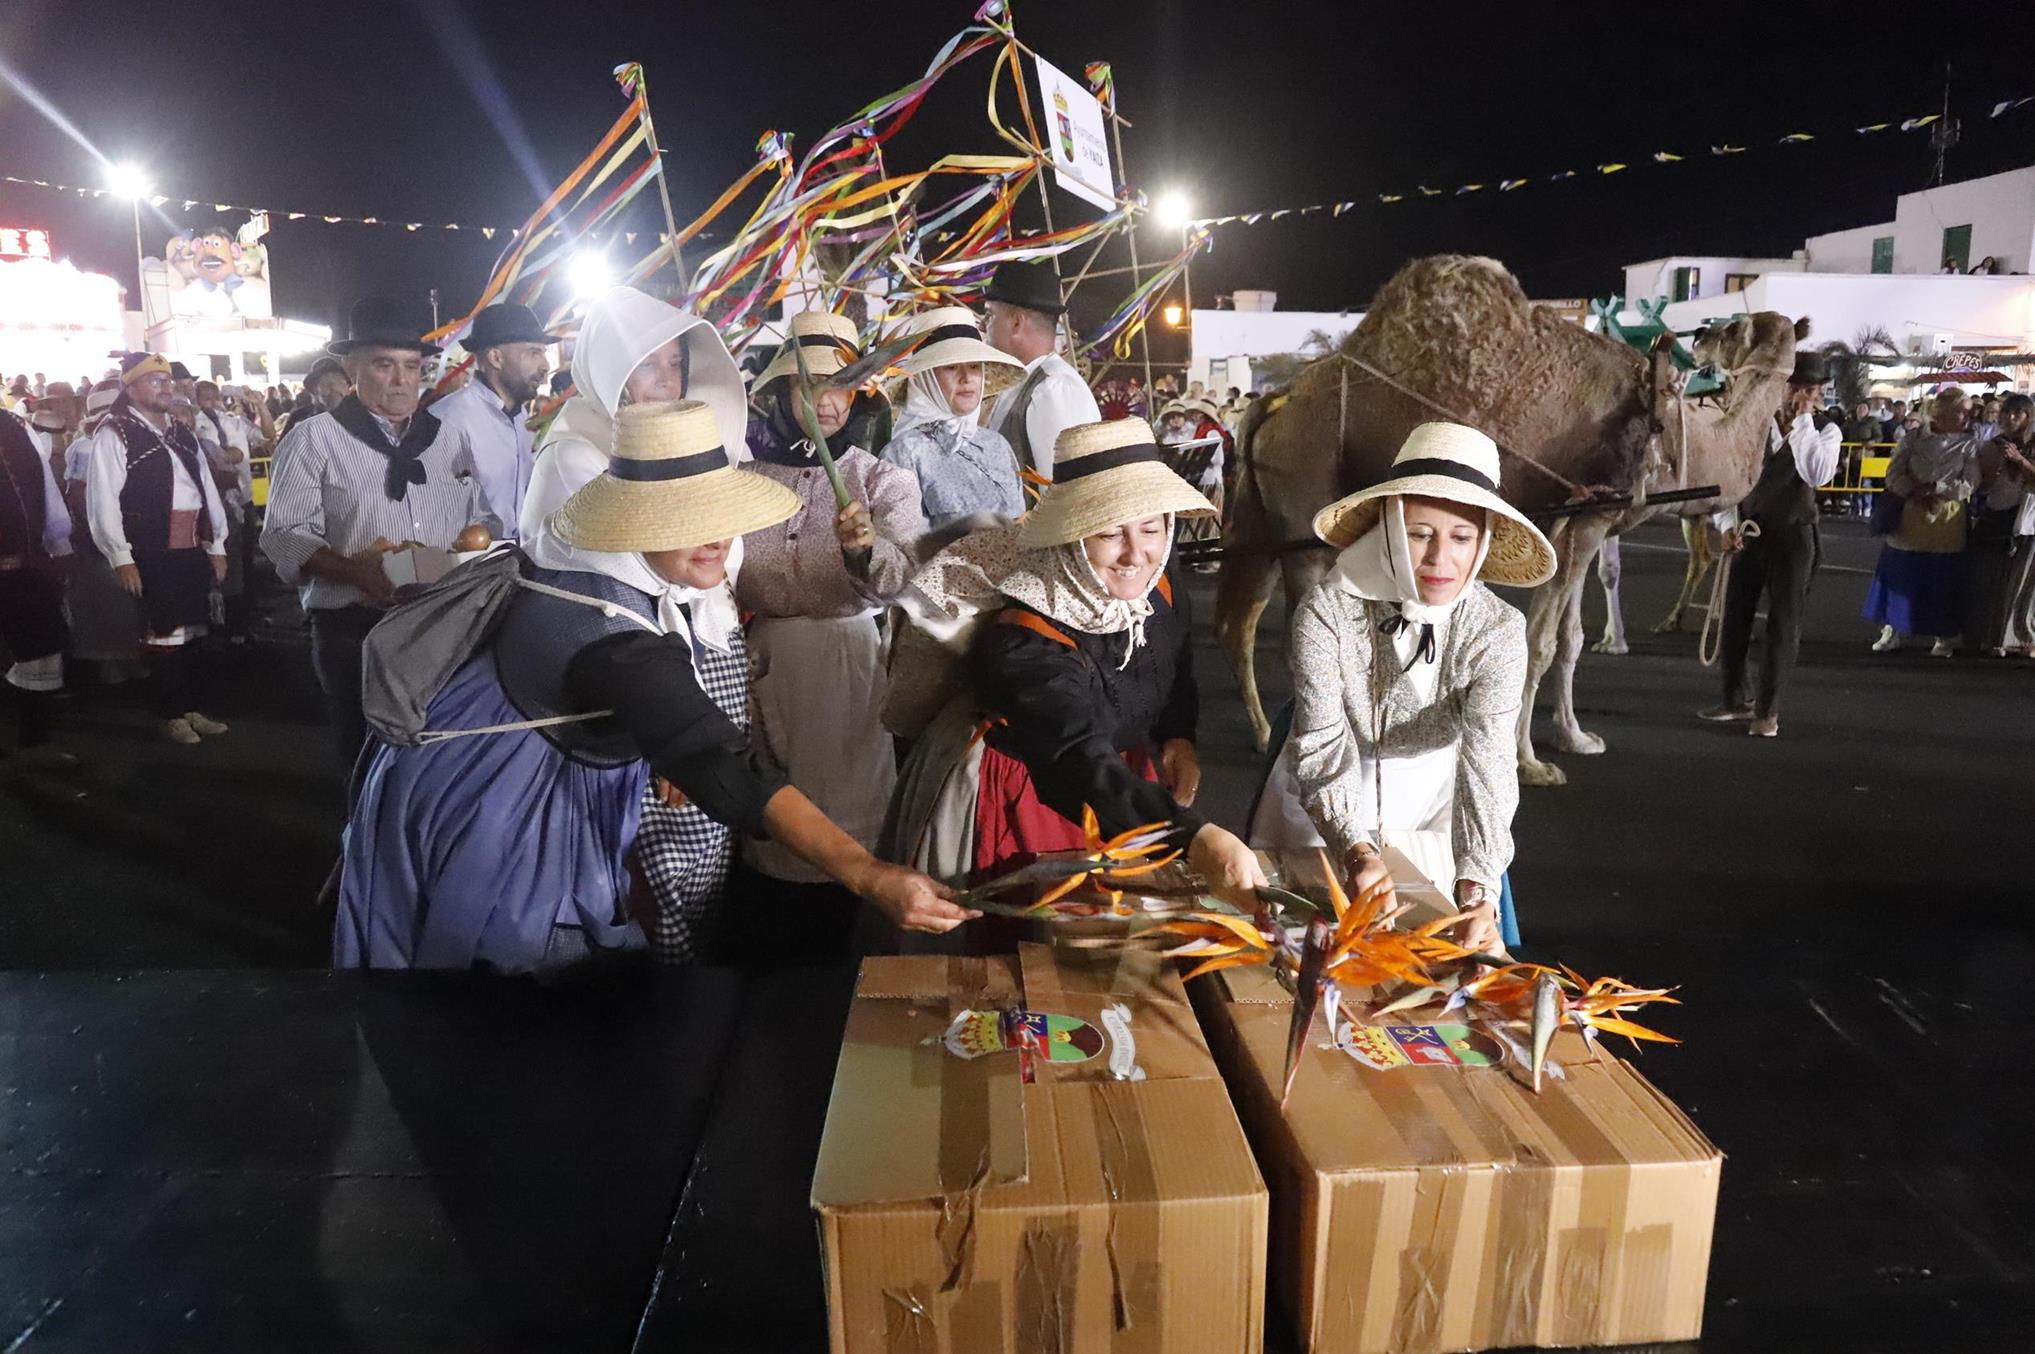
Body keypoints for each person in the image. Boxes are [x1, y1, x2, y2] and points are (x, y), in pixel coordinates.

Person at [334, 399, 972, 971]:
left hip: (522, 769)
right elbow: (718, 758)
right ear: (636, 520)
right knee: (514, 976)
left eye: (723, 514)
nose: (716, 537)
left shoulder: (601, 566)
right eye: (685, 518)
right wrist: (868, 875)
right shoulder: (607, 627)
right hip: (496, 799)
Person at [883, 417, 1265, 920]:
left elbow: (1173, 655)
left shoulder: (1157, 576)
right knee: (1036, 935)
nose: (1136, 554)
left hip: (1122, 781)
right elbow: (1072, 754)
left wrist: (1177, 735)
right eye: (1109, 532)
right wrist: (1190, 837)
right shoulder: (1024, 637)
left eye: (1151, 528)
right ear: (1072, 535)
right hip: (1032, 790)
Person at [1245, 422, 1555, 953]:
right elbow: (1323, 743)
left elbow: (1488, 765)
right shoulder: (1328, 611)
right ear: (1388, 527)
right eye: (1419, 533)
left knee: (1434, 950)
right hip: (1323, 790)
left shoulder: (1497, 631)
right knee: (1302, 947)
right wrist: (1357, 851)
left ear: (1482, 542)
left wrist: (1478, 887)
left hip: (1434, 795)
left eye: (1461, 537)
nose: (1440, 559)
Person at [739, 312, 927, 924]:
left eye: (841, 385)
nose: (827, 400)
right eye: (810, 384)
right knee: (772, 834)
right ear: (781, 391)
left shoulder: (882, 481)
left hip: (849, 675)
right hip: (761, 670)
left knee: (848, 841)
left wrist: (864, 551)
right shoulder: (742, 482)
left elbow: (907, 578)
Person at [261, 296, 497, 773]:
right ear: (352, 368)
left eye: (412, 366)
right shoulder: (314, 439)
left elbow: (482, 517)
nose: (401, 379)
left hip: (441, 623)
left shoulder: (447, 438)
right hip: (355, 629)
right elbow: (284, 535)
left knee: (438, 753)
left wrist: (475, 542)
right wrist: (359, 573)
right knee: (367, 756)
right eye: (384, 365)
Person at [81, 353, 231, 744]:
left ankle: (190, 707)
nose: (166, 387)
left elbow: (206, 488)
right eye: (154, 380)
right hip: (151, 546)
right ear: (130, 387)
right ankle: (171, 714)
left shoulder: (181, 432)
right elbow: (102, 500)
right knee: (165, 631)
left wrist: (216, 543)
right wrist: (121, 556)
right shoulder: (115, 432)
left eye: (167, 380)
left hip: (190, 545)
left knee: (193, 629)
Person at [523, 286, 749, 544]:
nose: (666, 381)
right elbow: (629, 557)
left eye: (675, 364)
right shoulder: (573, 456)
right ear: (608, 373)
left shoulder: (670, 441)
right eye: (646, 364)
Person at [1694, 353, 1843, 736]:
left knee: (1782, 624)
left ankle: (1767, 711)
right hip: (1748, 532)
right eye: (1794, 387)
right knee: (1734, 619)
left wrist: (1804, 422)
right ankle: (1734, 699)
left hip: (1793, 536)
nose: (1800, 395)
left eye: (1809, 389)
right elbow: (1730, 479)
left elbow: (1817, 473)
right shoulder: (1754, 426)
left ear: (1818, 393)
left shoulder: (1826, 431)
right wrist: (1727, 524)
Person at [877, 306, 1025, 535]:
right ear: (926, 378)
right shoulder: (904, 453)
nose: (966, 378)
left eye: (974, 366)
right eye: (952, 367)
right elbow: (900, 545)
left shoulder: (996, 445)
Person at [1865, 388, 1979, 658]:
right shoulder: (1913, 438)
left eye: (1968, 413)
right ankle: (1891, 629)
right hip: (1910, 515)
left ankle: (1943, 635)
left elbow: (1971, 483)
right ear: (1942, 412)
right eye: (1961, 412)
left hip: (1947, 518)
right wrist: (1914, 491)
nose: (1967, 417)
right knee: (1900, 572)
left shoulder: (1968, 444)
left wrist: (1938, 489)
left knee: (1943, 578)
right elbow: (1893, 474)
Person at [429, 303, 552, 536]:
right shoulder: (447, 420)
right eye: (534, 353)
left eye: (544, 353)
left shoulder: (519, 417)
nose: (545, 365)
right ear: (496, 358)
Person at [0, 403, 75, 765]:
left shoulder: (15, 425)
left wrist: (59, 544)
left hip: (24, 564)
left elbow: (45, 487)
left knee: (40, 650)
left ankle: (34, 743)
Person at [981, 260, 1100, 483]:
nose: (982, 326)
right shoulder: (1029, 382)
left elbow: (1062, 493)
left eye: (990, 316)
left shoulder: (1052, 390)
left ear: (1016, 323)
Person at [193, 380, 256, 642]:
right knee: (215, 573)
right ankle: (219, 628)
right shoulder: (196, 432)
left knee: (238, 567)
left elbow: (236, 460)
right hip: (202, 514)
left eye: (213, 396)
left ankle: (237, 624)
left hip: (232, 504)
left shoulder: (227, 422)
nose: (210, 401)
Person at [1977, 395, 2034, 654]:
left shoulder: (2031, 445)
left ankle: (2020, 636)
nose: (2010, 418)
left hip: (2025, 520)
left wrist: (2020, 460)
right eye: (2007, 413)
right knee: (1992, 579)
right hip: (1996, 514)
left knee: (2020, 582)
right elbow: (1982, 484)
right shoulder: (1993, 445)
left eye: (2017, 414)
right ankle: (1990, 636)